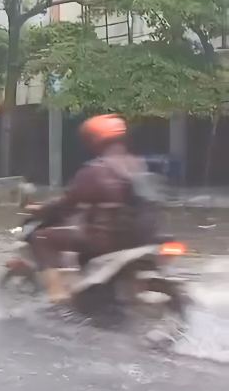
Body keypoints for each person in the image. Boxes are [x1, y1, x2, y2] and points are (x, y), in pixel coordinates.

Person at [31, 114, 158, 303]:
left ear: (94, 141)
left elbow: (67, 203)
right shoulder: (137, 165)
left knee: (41, 237)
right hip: (139, 238)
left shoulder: (94, 171)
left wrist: (41, 209)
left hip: (104, 240)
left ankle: (57, 292)